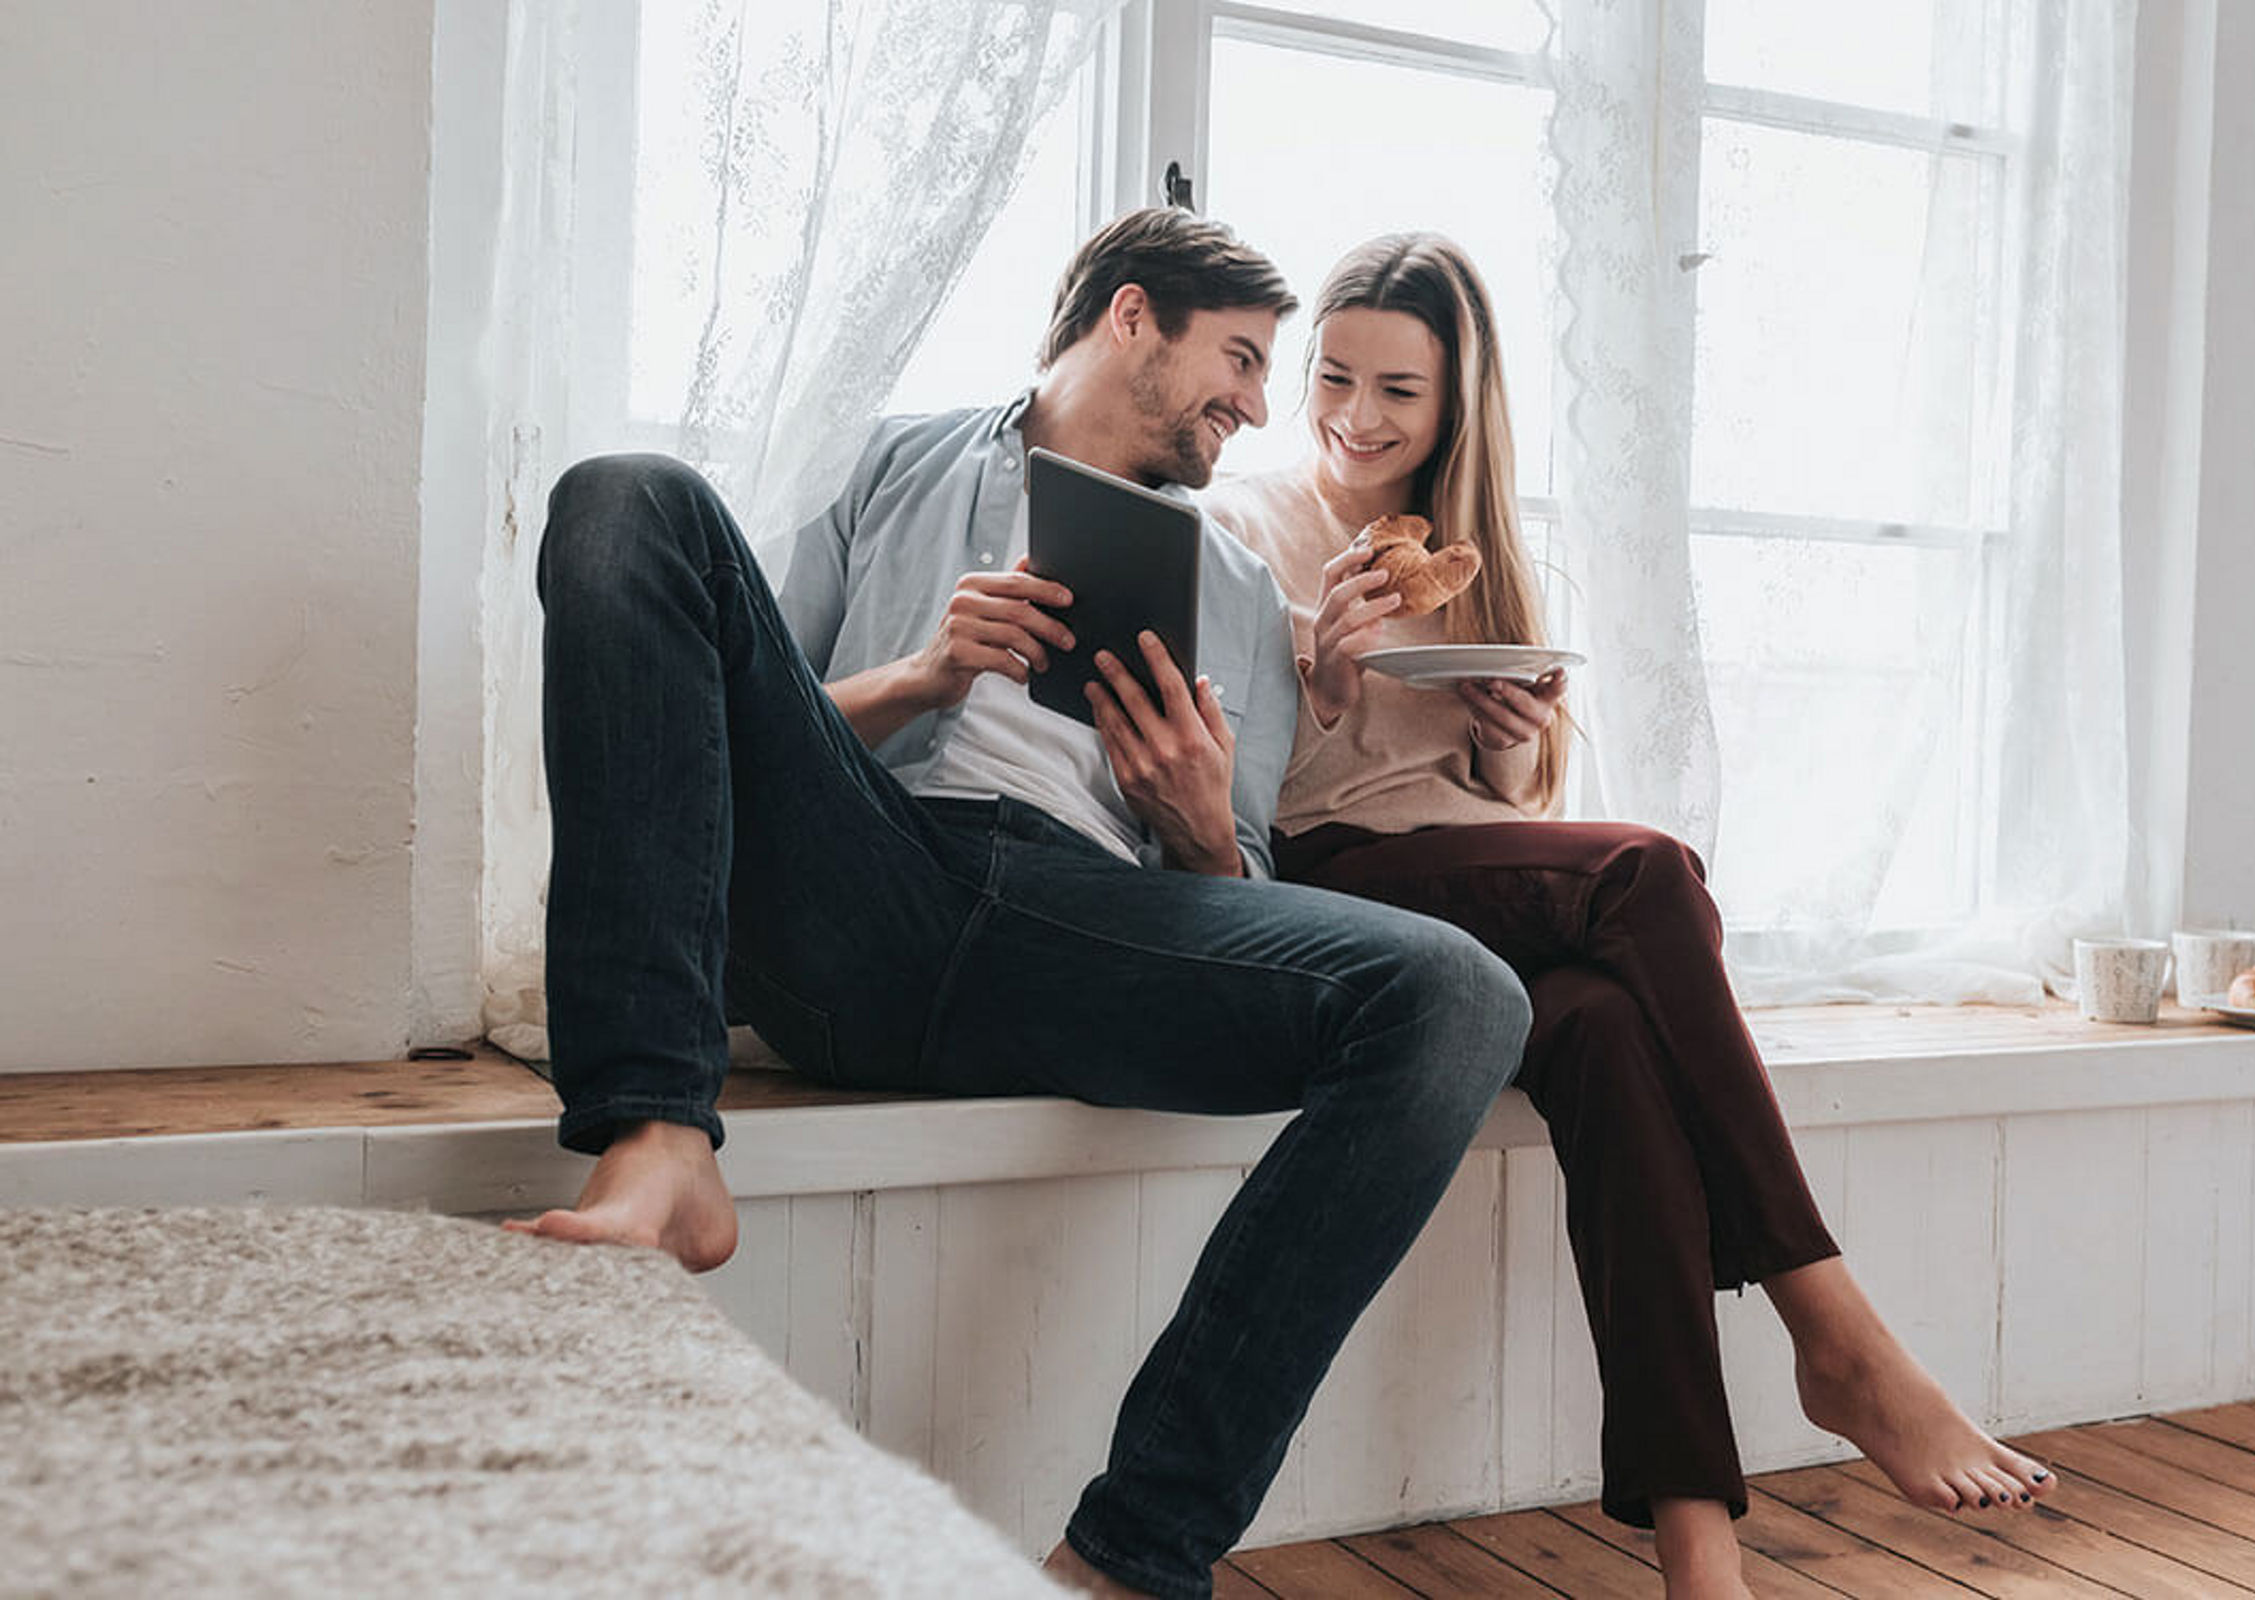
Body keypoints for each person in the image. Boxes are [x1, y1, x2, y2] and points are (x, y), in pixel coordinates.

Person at [506, 209, 1533, 1600]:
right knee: (627, 494)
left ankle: (1128, 1560)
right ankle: (656, 1140)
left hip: (1082, 931)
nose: (1254, 401)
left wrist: (1190, 824)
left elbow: (1240, 889)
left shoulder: (1238, 584)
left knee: (1461, 995)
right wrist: (921, 677)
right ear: (1129, 318)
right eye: (1238, 357)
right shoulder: (893, 461)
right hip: (864, 876)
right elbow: (714, 730)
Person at [1201, 233, 2056, 1600]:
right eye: (1334, 376)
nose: (1356, 417)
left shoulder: (1471, 552)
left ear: (1454, 407)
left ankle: (1698, 1556)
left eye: (1398, 393)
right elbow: (1231, 806)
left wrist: (1505, 737)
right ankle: (1838, 1329)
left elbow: (1500, 794)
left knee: (1602, 1029)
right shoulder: (1245, 526)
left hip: (1461, 866)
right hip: (1327, 880)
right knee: (1653, 870)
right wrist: (1319, 672)